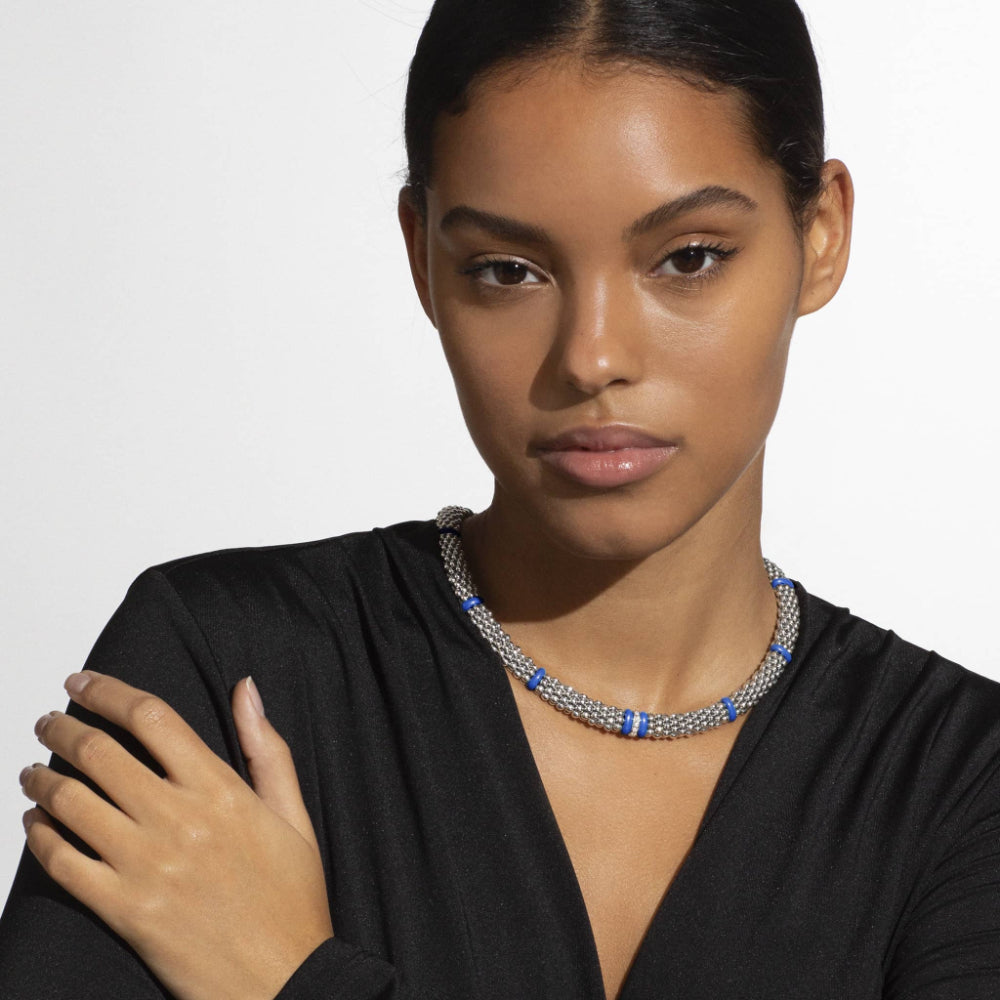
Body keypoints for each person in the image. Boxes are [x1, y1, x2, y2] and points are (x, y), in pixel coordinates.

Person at [2, 1, 998, 998]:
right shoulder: (226, 672)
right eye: (508, 270)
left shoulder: (963, 782)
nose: (591, 357)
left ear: (820, 234)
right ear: (422, 257)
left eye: (688, 257)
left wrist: (293, 976)